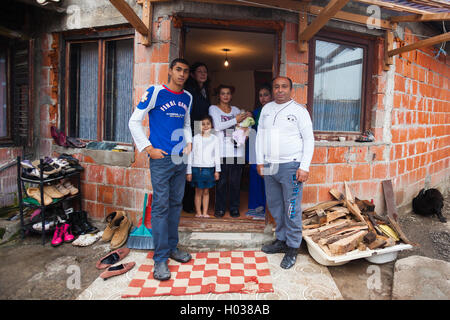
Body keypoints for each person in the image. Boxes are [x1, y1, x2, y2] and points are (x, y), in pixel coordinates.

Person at [128, 58, 193, 281]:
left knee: (176, 204)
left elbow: (185, 123)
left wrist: (189, 141)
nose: (182, 74)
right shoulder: (156, 92)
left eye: (185, 71)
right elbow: (134, 121)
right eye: (178, 70)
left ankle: (172, 248)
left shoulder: (188, 97)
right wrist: (148, 148)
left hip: (179, 159)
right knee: (161, 206)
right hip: (161, 159)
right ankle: (160, 259)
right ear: (170, 71)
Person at [255, 76, 314, 269]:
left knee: (291, 208)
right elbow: (259, 137)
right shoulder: (266, 109)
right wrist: (259, 160)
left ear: (291, 90)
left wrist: (304, 166)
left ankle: (293, 247)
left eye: (284, 87)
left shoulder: (300, 111)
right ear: (273, 90)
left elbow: (309, 140)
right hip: (270, 165)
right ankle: (281, 240)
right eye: (276, 87)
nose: (280, 90)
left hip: (291, 166)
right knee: (275, 205)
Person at [209, 85, 252, 218]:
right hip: (222, 151)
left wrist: (246, 123)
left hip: (237, 151)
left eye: (228, 93)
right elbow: (217, 126)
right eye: (223, 93)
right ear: (219, 95)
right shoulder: (213, 109)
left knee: (235, 182)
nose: (226, 96)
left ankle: (234, 208)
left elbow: (246, 125)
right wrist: (236, 120)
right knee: (221, 182)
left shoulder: (236, 110)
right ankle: (220, 208)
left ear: (231, 95)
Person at [182, 62, 211, 214]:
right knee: (190, 166)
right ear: (192, 74)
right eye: (199, 71)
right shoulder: (189, 90)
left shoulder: (205, 90)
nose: (203, 74)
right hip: (190, 132)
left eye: (205, 71)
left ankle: (196, 204)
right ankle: (187, 204)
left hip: (201, 132)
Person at [186, 115, 221, 218]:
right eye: (203, 124)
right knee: (198, 191)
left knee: (206, 191)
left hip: (209, 168)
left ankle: (205, 212)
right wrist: (189, 171)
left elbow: (217, 155)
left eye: (208, 124)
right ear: (199, 126)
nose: (205, 126)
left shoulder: (215, 139)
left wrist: (217, 170)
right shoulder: (195, 138)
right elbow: (190, 155)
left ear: (212, 125)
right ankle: (198, 212)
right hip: (197, 168)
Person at [246, 84, 272, 220]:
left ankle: (268, 208)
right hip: (255, 149)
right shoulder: (255, 113)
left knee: (268, 178)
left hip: (271, 149)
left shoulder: (274, 111)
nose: (263, 98)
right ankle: (256, 208)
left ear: (271, 95)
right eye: (260, 95)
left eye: (266, 94)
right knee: (256, 177)